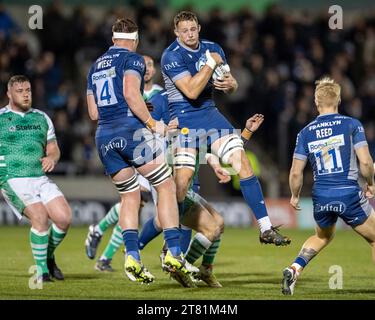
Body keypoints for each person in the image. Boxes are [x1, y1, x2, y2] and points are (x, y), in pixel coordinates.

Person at [160, 11, 290, 246]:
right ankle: (170, 243)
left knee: (243, 161)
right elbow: (190, 91)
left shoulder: (213, 48)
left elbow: (228, 84)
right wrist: (211, 63)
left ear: (198, 28)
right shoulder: (171, 56)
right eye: (184, 30)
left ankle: (265, 228)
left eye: (193, 29)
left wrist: (232, 84)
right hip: (184, 120)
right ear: (176, 33)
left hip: (211, 115)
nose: (189, 34)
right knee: (180, 187)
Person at [86, 18, 198, 284]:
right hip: (130, 133)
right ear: (135, 40)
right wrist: (152, 124)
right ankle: (173, 253)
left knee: (129, 197)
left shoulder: (94, 66)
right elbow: (130, 93)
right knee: (166, 185)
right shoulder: (133, 59)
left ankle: (132, 257)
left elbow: (92, 112)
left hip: (103, 136)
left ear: (113, 39)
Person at [281, 77, 375, 295]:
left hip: (321, 195)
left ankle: (294, 268)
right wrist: (370, 183)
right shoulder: (352, 124)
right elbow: (366, 162)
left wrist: (294, 196)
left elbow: (296, 172)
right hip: (348, 193)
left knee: (323, 236)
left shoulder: (305, 132)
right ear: (339, 100)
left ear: (316, 102)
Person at [0, 75, 72, 282]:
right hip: (12, 178)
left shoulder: (41, 117)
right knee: (40, 217)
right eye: (20, 91)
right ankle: (42, 272)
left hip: (39, 177)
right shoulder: (2, 119)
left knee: (64, 218)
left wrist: (52, 157)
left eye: (28, 90)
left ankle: (48, 257)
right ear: (9, 94)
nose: (25, 94)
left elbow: (53, 148)